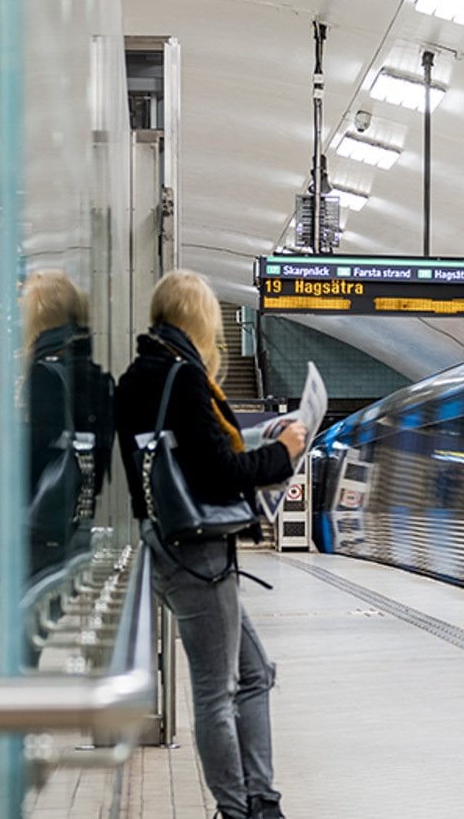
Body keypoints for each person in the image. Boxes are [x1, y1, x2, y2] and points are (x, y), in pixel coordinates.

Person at [114, 270, 305, 819]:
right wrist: (285, 451)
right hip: (199, 556)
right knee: (217, 693)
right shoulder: (185, 377)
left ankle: (260, 801)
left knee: (254, 674)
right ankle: (239, 809)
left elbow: (180, 460)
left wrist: (250, 441)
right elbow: (218, 472)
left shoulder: (136, 379)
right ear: (199, 319)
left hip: (170, 548)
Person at [22, 270, 115, 581]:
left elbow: (37, 454)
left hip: (43, 527)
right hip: (80, 520)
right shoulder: (93, 372)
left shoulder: (44, 373)